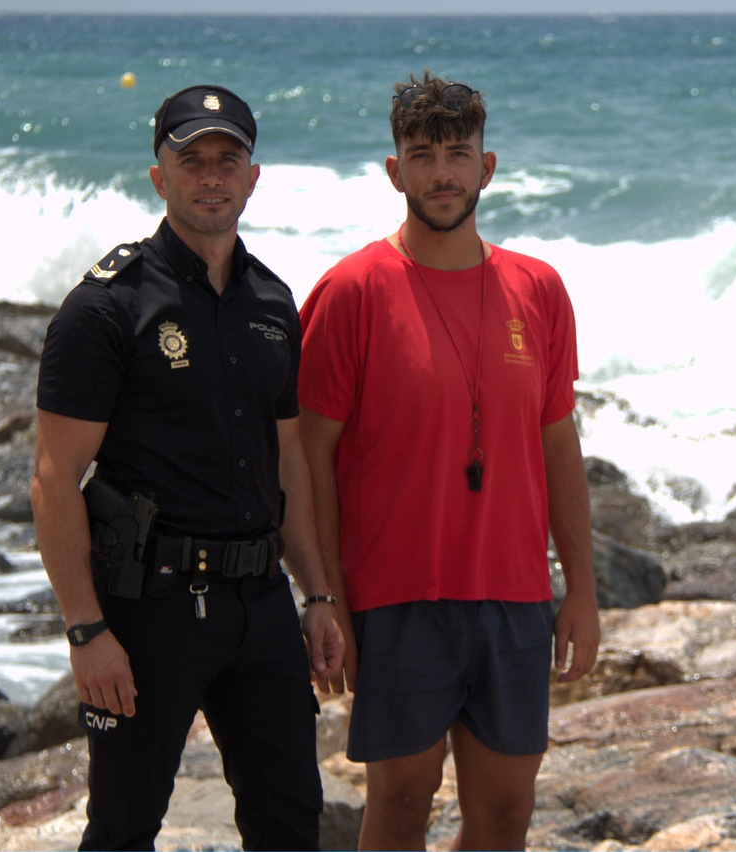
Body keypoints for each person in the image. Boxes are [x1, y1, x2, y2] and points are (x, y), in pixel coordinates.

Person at [30, 84, 344, 851]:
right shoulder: (106, 307)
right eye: (191, 159)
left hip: (259, 605)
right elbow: (52, 478)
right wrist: (85, 630)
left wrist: (318, 594)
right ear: (159, 176)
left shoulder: (272, 302)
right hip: (149, 611)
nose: (211, 175)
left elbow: (290, 461)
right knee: (125, 827)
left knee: (291, 822)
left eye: (227, 160)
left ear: (252, 177)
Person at [299, 72, 599, 851]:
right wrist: (325, 597)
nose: (441, 173)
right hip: (398, 597)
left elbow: (558, 444)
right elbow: (308, 459)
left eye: (457, 154)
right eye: (422, 154)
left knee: (504, 817)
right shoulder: (351, 290)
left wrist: (582, 592)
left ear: (486, 168)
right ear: (395, 171)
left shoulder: (539, 289)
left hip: (514, 594)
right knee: (400, 804)